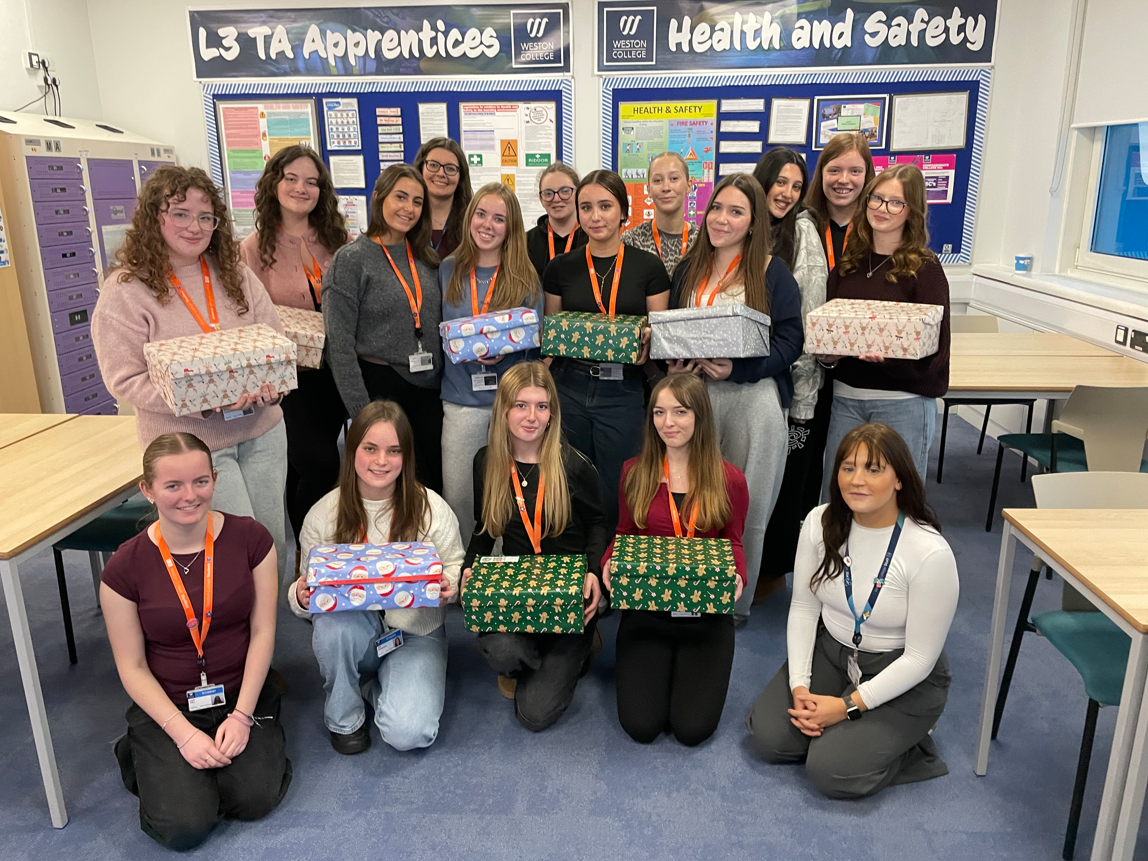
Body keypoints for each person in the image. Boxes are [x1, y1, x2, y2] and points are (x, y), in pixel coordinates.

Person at [92, 166, 290, 582]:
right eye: (180, 213)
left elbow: (273, 342)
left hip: (262, 431)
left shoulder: (236, 274)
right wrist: (201, 402)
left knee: (270, 540)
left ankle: (266, 637)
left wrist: (271, 388)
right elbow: (124, 377)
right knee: (227, 552)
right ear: (154, 218)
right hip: (191, 445)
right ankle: (230, 640)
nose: (194, 226)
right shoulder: (126, 289)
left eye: (205, 217)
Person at [745, 423, 958, 799]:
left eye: (873, 469)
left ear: (899, 480)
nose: (856, 480)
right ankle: (853, 734)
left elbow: (921, 658)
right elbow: (803, 608)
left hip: (900, 669)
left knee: (830, 772)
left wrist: (845, 707)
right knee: (769, 740)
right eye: (848, 467)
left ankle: (914, 743)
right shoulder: (820, 522)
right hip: (834, 652)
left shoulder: (929, 552)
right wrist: (800, 685)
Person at [100, 432, 290, 850]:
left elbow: (263, 632)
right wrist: (183, 735)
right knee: (184, 828)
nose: (190, 496)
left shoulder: (252, 540)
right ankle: (140, 753)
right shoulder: (123, 568)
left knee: (255, 799)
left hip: (240, 694)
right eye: (173, 486)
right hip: (168, 703)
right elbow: (131, 666)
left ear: (215, 479)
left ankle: (213, 762)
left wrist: (241, 717)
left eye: (200, 481)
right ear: (147, 490)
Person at [288, 401, 464, 754]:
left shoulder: (431, 507)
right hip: (355, 628)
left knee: (409, 734)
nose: (381, 461)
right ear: (352, 449)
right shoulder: (323, 514)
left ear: (406, 456)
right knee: (334, 627)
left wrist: (450, 586)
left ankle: (369, 684)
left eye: (393, 451)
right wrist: (300, 596)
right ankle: (344, 717)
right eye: (370, 448)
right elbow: (304, 592)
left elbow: (454, 566)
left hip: (416, 632)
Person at [667, 173, 804, 623]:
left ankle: (734, 606)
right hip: (696, 398)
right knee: (691, 498)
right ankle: (690, 592)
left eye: (736, 211)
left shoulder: (770, 270)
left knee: (748, 506)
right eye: (717, 208)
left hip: (753, 401)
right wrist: (675, 363)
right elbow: (675, 328)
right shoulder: (689, 268)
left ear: (753, 221)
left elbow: (790, 341)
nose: (722, 219)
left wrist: (739, 368)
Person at [601, 374, 748, 746]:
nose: (669, 423)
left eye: (680, 412)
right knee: (641, 727)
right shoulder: (634, 472)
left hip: (705, 616)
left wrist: (738, 578)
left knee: (691, 730)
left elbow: (733, 542)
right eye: (659, 412)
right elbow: (623, 532)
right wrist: (609, 562)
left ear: (700, 416)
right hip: (647, 610)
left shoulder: (729, 479)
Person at [461, 362, 607, 730]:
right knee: (498, 648)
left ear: (552, 413)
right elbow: (484, 528)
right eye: (521, 405)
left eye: (541, 406)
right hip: (516, 590)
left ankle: (573, 645)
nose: (531, 417)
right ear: (503, 410)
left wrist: (593, 573)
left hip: (566, 592)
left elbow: (597, 524)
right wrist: (469, 568)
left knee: (534, 714)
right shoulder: (487, 463)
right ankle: (540, 654)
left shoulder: (573, 465)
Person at [544, 169, 671, 532]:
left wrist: (649, 338)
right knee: (568, 483)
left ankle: (614, 569)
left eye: (604, 206)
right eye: (586, 207)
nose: (595, 216)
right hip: (569, 385)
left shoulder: (648, 267)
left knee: (621, 486)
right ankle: (577, 571)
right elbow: (553, 337)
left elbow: (658, 333)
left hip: (624, 390)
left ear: (623, 211)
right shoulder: (560, 268)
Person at [239, 145, 350, 547]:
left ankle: (308, 559)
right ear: (274, 183)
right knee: (321, 464)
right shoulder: (252, 249)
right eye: (291, 178)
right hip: (289, 382)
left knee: (299, 470)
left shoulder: (338, 240)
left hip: (336, 375)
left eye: (312, 182)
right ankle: (313, 550)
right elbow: (246, 320)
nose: (301, 188)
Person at [818, 164, 951, 492]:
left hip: (902, 403)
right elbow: (831, 330)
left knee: (896, 497)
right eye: (876, 199)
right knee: (839, 494)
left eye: (896, 203)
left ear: (912, 211)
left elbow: (938, 349)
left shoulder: (925, 269)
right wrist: (827, 356)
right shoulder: (848, 266)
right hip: (846, 399)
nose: (882, 209)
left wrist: (892, 358)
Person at [323, 164, 445, 493]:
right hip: (381, 388)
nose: (409, 208)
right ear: (378, 198)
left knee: (432, 483)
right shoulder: (351, 260)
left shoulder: (425, 256)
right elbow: (339, 347)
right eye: (400, 197)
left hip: (429, 388)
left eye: (417, 202)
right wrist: (363, 415)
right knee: (393, 488)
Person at [439, 182, 543, 540]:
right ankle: (465, 569)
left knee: (507, 495)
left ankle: (500, 573)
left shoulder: (526, 277)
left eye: (499, 219)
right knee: (460, 494)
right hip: (461, 402)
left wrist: (509, 350)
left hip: (509, 404)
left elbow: (535, 346)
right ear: (470, 217)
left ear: (511, 227)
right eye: (481, 214)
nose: (487, 224)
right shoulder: (448, 269)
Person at [753, 148, 830, 601]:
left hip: (790, 388)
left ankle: (772, 570)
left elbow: (809, 317)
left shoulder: (802, 232)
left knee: (786, 482)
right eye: (779, 182)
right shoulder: (745, 226)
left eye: (796, 185)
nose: (786, 193)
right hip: (743, 380)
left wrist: (803, 402)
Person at [797, 133, 878, 516]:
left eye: (855, 171)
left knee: (850, 468)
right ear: (821, 174)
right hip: (808, 369)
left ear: (868, 176)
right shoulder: (802, 226)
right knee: (803, 463)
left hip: (859, 372)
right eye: (834, 169)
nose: (843, 179)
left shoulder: (878, 231)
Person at [621, 151, 697, 275]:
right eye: (657, 180)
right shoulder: (631, 242)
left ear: (689, 186)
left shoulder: (702, 242)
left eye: (674, 178)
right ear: (648, 189)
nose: (666, 187)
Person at [525, 162, 587, 281]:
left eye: (565, 191)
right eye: (548, 193)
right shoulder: (526, 243)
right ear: (541, 199)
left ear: (578, 193)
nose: (556, 199)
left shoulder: (592, 238)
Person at [414, 137, 472, 259]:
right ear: (421, 168)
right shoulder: (407, 219)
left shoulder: (473, 222)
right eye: (433, 165)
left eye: (450, 168)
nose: (441, 173)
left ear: (460, 176)